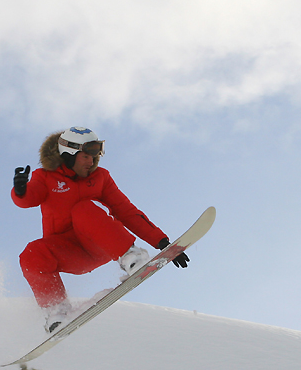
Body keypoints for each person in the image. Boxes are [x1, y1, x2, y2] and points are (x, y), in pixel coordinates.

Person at [12, 127, 189, 332]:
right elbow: (29, 198)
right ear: (69, 155)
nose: (91, 162)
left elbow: (126, 211)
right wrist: (21, 191)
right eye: (86, 156)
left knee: (83, 209)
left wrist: (162, 243)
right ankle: (57, 311)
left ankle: (132, 257)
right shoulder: (45, 177)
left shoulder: (101, 178)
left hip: (101, 243)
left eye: (94, 157)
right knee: (32, 253)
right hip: (70, 252)